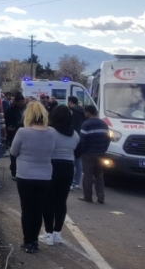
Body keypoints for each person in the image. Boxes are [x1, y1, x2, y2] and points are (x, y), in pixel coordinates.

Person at [10, 101, 56, 253]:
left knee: (27, 209)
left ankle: (27, 241)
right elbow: (53, 151)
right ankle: (35, 241)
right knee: (38, 210)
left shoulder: (23, 132)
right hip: (44, 176)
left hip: (25, 176)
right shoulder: (51, 132)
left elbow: (13, 151)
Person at [40, 105, 80, 246]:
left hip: (52, 166)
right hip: (68, 168)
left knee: (48, 201)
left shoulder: (50, 131)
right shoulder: (75, 134)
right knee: (61, 201)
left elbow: (44, 148)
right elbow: (77, 152)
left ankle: (48, 233)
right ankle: (58, 233)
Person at [77, 105, 110, 203]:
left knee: (88, 176)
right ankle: (101, 197)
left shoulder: (86, 124)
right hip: (101, 153)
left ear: (87, 112)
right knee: (99, 175)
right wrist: (103, 149)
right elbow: (108, 139)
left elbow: (82, 141)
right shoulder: (104, 124)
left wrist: (81, 152)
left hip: (88, 154)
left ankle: (87, 197)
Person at [5, 93, 26, 180]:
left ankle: (21, 171)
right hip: (14, 134)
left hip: (25, 134)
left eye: (22, 101)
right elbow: (6, 121)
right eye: (19, 101)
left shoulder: (27, 109)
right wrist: (8, 128)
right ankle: (14, 171)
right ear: (15, 102)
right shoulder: (10, 110)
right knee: (14, 154)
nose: (21, 103)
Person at [68, 96, 86, 190]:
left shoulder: (71, 111)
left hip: (72, 135)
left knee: (71, 160)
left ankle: (70, 183)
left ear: (70, 102)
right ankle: (77, 182)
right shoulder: (83, 111)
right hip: (81, 136)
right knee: (78, 161)